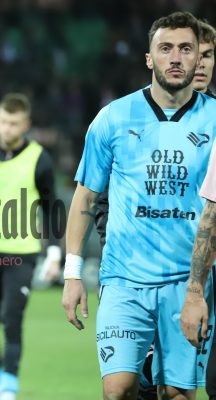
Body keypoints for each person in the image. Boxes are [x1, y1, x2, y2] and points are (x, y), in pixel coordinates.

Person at [62, 11, 216, 400]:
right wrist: (72, 273)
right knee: (117, 389)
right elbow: (85, 196)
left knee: (177, 394)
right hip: (123, 280)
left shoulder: (214, 119)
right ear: (149, 58)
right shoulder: (113, 117)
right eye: (166, 48)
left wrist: (198, 291)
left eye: (186, 49)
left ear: (198, 57)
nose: (176, 58)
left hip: (187, 282)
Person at [0, 93, 60, 400]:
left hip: (21, 253)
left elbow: (51, 208)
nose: (7, 128)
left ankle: (8, 386)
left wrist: (54, 252)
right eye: (3, 122)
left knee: (12, 319)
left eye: (14, 123)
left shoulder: (39, 159)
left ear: (26, 125)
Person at [180, 19, 216, 400]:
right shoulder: (144, 115)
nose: (201, 64)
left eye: (208, 55)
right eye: (195, 54)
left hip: (207, 266)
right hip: (165, 266)